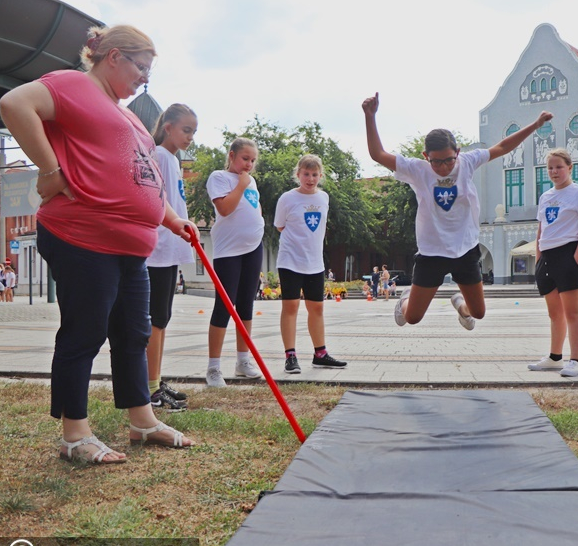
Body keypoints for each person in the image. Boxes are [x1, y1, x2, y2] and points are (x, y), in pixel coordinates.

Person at [0, 24, 194, 464]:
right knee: (84, 332)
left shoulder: (129, 117)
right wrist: (49, 171)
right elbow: (13, 103)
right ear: (113, 57)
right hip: (82, 235)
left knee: (134, 333)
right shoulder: (71, 85)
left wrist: (175, 220)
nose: (144, 78)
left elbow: (144, 181)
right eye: (141, 67)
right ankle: (74, 434)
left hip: (132, 246)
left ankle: (142, 421)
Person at [363, 91, 552, 329]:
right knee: (412, 318)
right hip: (432, 253)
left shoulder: (468, 162)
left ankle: (459, 304)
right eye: (436, 161)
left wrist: (535, 125)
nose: (443, 167)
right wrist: (370, 117)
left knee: (478, 313)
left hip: (465, 249)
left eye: (449, 160)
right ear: (426, 157)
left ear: (458, 153)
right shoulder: (418, 170)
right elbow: (377, 154)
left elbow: (503, 147)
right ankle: (405, 299)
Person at [145, 104, 197, 412]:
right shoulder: (161, 156)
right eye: (186, 130)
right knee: (155, 321)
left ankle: (155, 381)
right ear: (168, 128)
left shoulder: (173, 159)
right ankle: (150, 388)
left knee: (161, 320)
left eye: (193, 132)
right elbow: (158, 201)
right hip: (158, 250)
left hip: (170, 249)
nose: (190, 137)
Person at [275, 154, 347, 374]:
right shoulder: (287, 198)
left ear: (320, 176)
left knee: (317, 307)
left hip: (315, 262)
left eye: (314, 174)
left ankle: (320, 354)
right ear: (298, 174)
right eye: (306, 174)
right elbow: (280, 226)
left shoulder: (323, 198)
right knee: (291, 306)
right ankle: (290, 356)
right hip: (291, 261)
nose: (310, 178)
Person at [526, 148, 578, 377]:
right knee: (554, 313)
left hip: (568, 253)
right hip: (547, 257)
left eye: (559, 167)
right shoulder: (545, 197)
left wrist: (575, 260)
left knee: (573, 312)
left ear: (569, 168)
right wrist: (538, 259)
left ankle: (576, 360)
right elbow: (541, 229)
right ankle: (555, 357)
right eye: (550, 168)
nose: (554, 171)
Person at [205, 137, 265, 387]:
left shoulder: (251, 181)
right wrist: (240, 184)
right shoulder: (219, 177)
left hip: (253, 247)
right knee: (224, 305)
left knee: (246, 305)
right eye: (244, 158)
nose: (249, 164)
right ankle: (213, 368)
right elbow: (226, 210)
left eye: (252, 160)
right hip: (228, 251)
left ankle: (243, 361)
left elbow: (254, 208)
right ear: (232, 156)